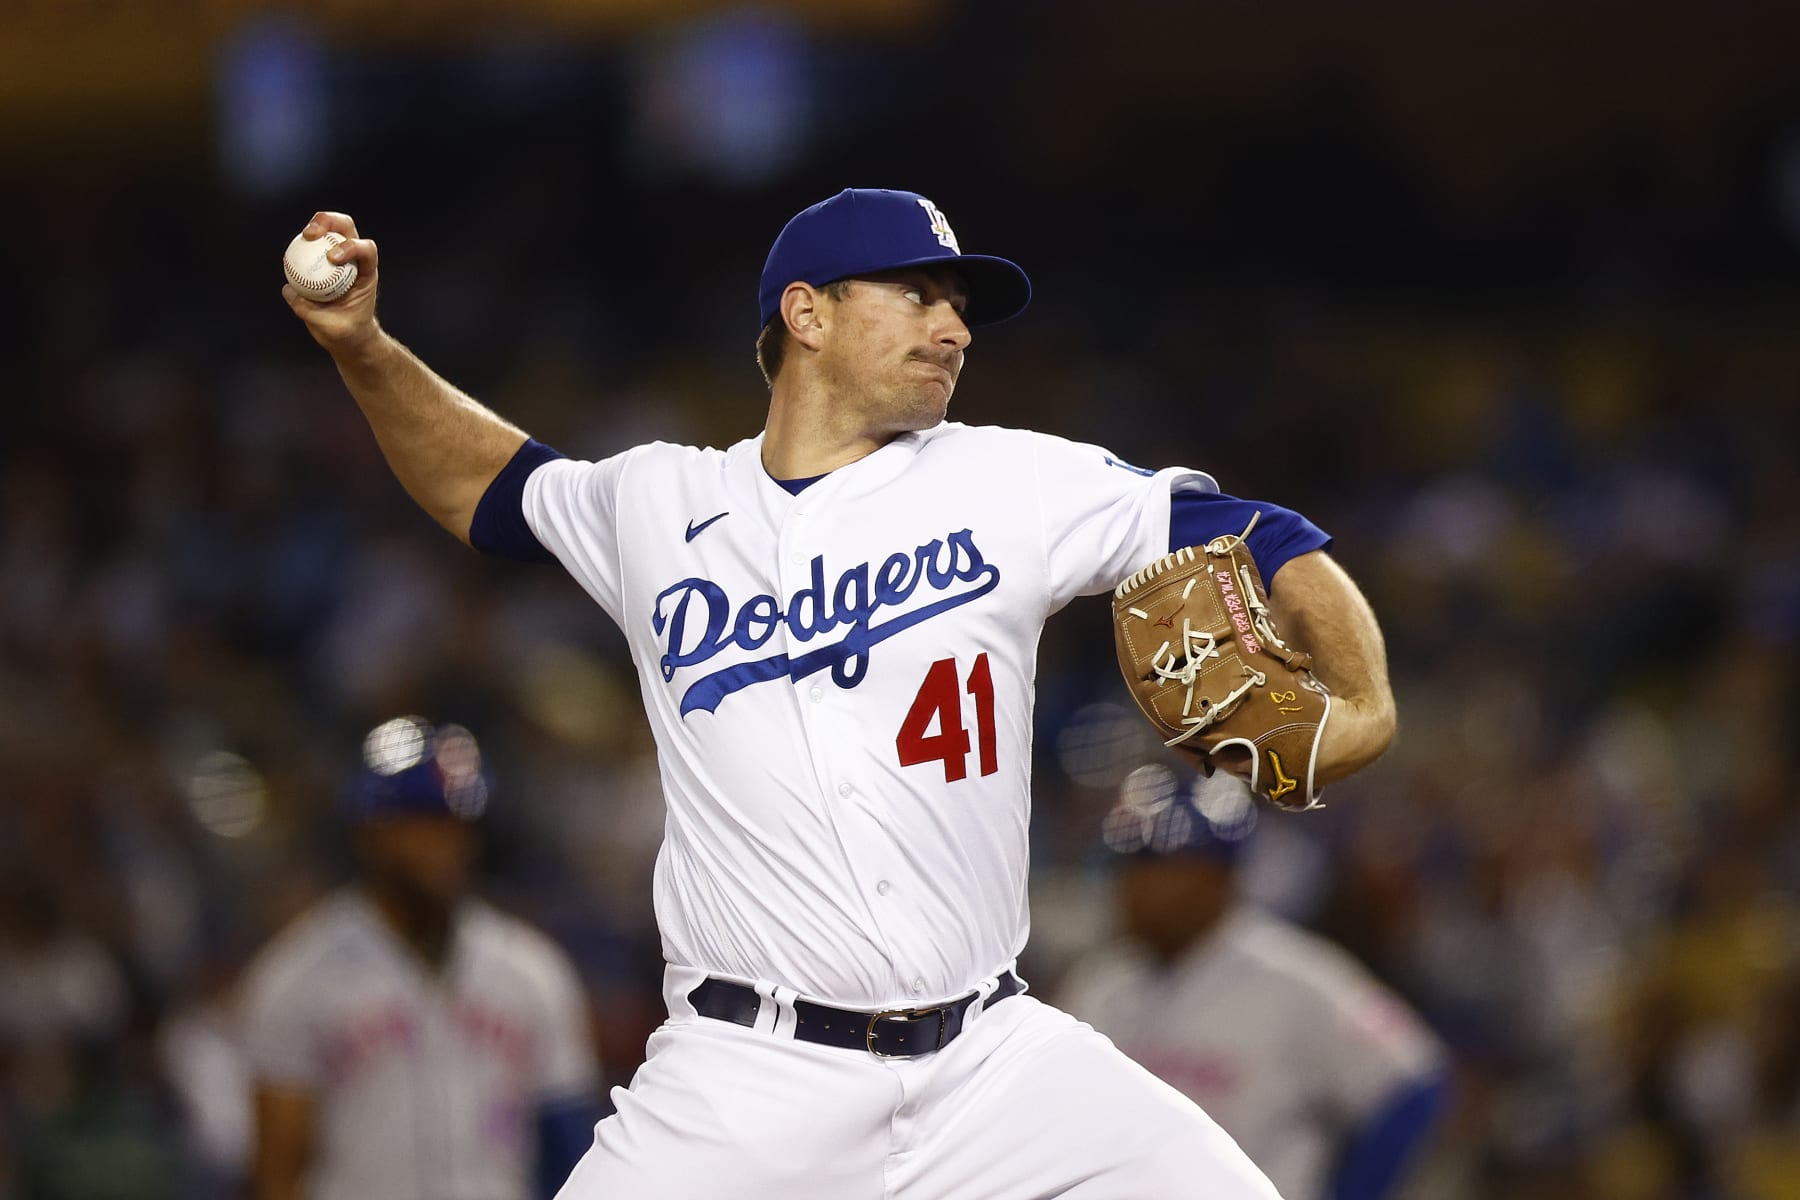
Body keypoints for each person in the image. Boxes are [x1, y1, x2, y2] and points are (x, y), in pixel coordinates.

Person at [282, 187, 1398, 1197]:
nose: (953, 328)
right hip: (746, 1077)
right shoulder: (661, 504)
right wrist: (363, 346)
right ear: (806, 314)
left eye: (958, 304)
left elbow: (1261, 534)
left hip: (991, 1064)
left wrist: (1364, 698)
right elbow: (487, 484)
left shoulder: (1008, 477)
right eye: (916, 296)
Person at [238, 716, 601, 1200]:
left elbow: (569, 1146)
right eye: (422, 823)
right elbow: (278, 1174)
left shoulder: (531, 969)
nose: (444, 845)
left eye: (455, 823)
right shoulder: (298, 976)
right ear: (371, 830)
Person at [1058, 771, 1449, 1200]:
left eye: (1158, 865)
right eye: (1130, 864)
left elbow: (1413, 1082)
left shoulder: (1296, 976)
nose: (1134, 886)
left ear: (1216, 879)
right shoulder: (1099, 984)